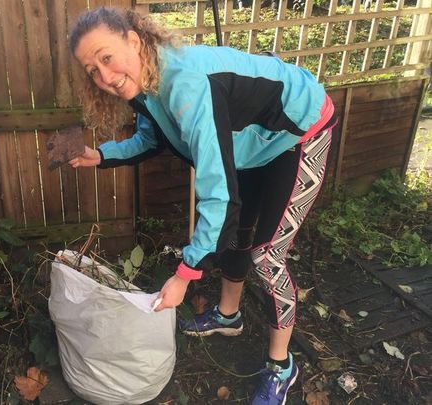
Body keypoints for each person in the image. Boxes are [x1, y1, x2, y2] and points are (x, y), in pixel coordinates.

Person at [67, 7, 337, 405]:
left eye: (106, 58)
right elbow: (151, 138)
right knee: (237, 234)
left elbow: (218, 195)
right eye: (92, 70)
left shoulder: (187, 84)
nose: (104, 77)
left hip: (300, 129)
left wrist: (184, 273)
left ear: (134, 41)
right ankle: (229, 316)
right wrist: (101, 156)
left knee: (266, 255)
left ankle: (282, 365)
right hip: (251, 146)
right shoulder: (149, 84)